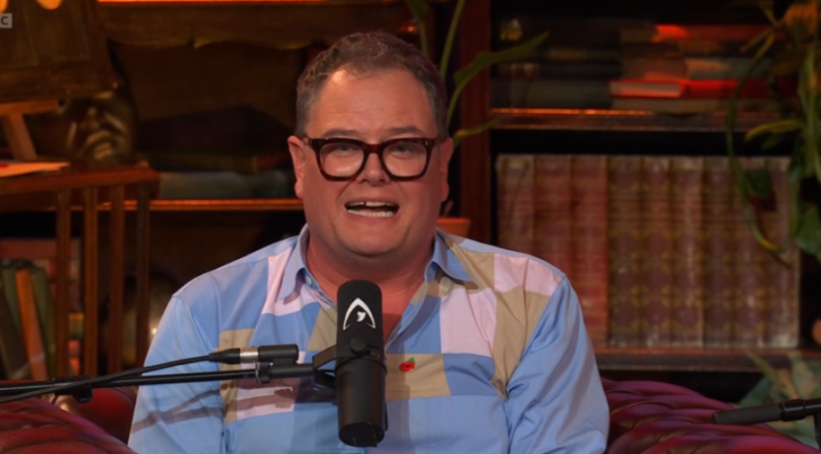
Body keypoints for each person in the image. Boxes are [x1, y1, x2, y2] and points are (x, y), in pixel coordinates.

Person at [127, 31, 609, 453]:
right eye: (343, 147)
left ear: (442, 165)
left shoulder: (532, 302)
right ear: (301, 165)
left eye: (403, 147)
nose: (373, 173)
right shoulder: (206, 315)